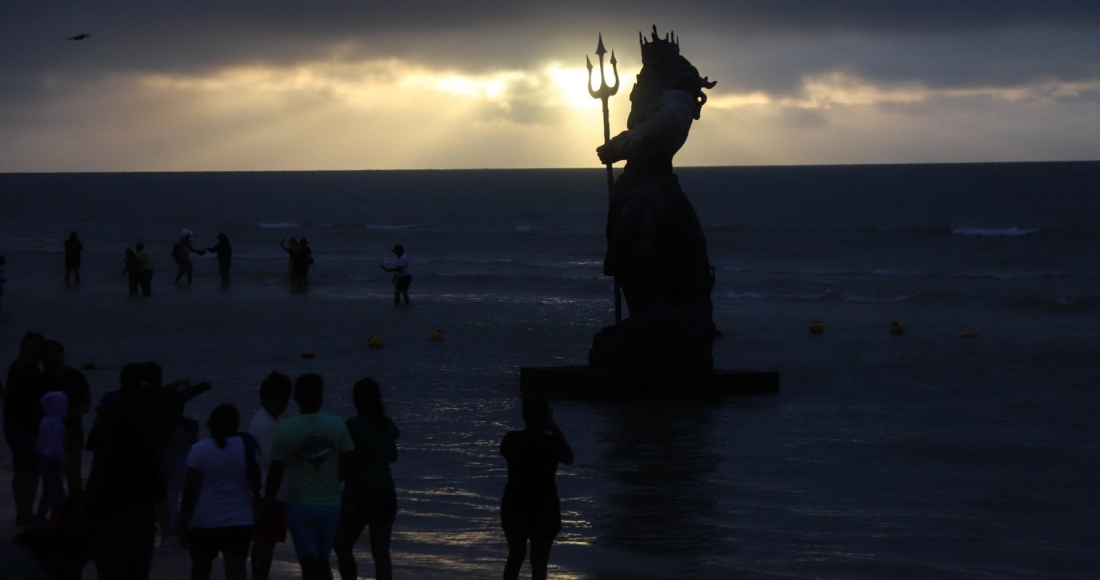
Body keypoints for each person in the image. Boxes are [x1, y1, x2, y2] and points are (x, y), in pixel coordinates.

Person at [264, 373, 355, 580]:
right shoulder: (337, 425)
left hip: (300, 507)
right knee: (321, 559)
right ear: (321, 397)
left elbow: (275, 473)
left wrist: (268, 506)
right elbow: (350, 467)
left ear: (295, 398)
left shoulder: (285, 429)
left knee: (309, 563)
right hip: (332, 507)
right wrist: (347, 498)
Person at [84, 363, 168, 579]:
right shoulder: (146, 416)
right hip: (138, 513)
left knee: (108, 570)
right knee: (138, 569)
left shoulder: (109, 406)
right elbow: (159, 488)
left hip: (107, 510)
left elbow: (91, 446)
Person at [180, 404, 259, 580]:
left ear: (210, 424)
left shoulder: (199, 449)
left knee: (200, 572)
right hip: (240, 519)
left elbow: (190, 491)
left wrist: (183, 523)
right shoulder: (247, 446)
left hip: (205, 521)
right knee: (236, 573)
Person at [500, 396, 574, 580]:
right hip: (544, 507)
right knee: (539, 563)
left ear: (524, 416)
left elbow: (504, 450)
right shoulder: (551, 443)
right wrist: (554, 428)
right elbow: (569, 458)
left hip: (515, 506)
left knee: (516, 556)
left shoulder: (511, 439)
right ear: (544, 418)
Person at [334, 378, 399, 580]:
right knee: (381, 554)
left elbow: (344, 464)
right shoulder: (387, 426)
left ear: (356, 401)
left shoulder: (351, 426)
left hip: (360, 494)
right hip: (386, 493)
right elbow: (393, 456)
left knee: (342, 546)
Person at [147, 362, 213, 553]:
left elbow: (168, 389)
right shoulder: (172, 396)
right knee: (188, 484)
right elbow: (188, 394)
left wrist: (178, 382)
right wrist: (204, 385)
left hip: (162, 443)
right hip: (180, 440)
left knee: (170, 490)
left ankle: (172, 528)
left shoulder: (152, 394)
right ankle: (186, 526)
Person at [247, 372, 293, 580]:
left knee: (265, 544)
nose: (282, 403)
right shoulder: (267, 424)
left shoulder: (266, 420)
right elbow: (270, 461)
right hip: (268, 496)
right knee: (265, 544)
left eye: (285, 398)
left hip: (268, 494)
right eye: (278, 398)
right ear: (266, 396)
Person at [40, 340, 91, 495]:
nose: (54, 356)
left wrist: (80, 412)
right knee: (51, 473)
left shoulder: (76, 377)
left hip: (72, 427)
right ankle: (56, 510)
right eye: (50, 353)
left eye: (57, 352)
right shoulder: (41, 379)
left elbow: (86, 400)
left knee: (73, 471)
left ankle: (74, 507)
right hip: (50, 430)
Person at [4, 332, 44, 525]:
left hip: (28, 426)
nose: (36, 348)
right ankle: (23, 511)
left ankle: (26, 511)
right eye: (32, 344)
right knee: (24, 469)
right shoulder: (22, 367)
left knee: (31, 470)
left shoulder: (30, 368)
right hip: (21, 426)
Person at [35, 391, 67, 523]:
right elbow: (56, 446)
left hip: (43, 458)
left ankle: (41, 517)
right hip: (52, 459)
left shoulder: (45, 420)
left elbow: (41, 442)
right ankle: (58, 519)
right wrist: (62, 461)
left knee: (48, 491)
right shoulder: (58, 422)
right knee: (58, 492)